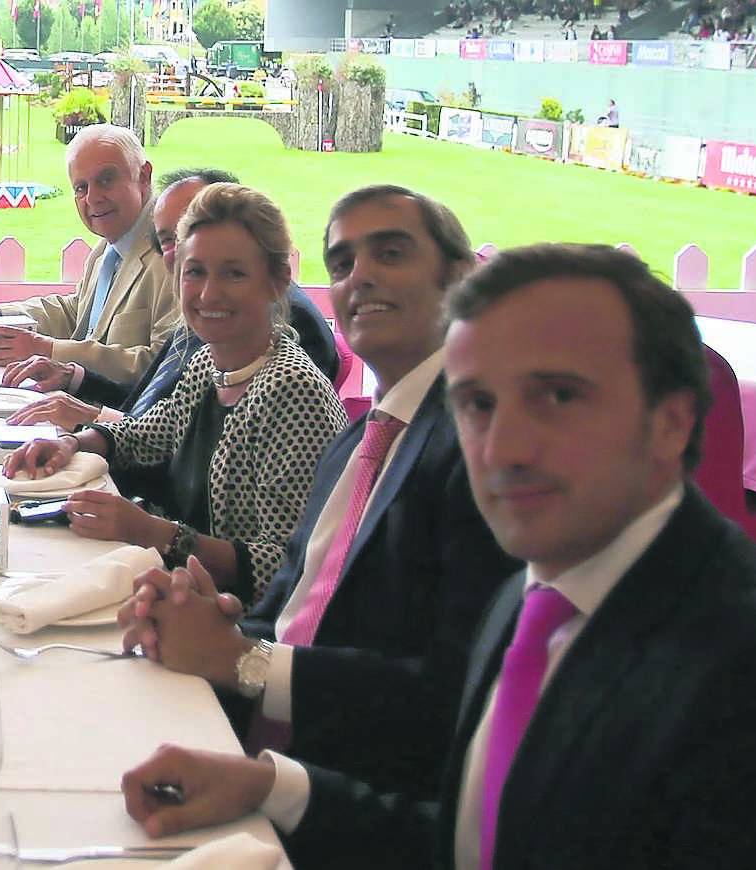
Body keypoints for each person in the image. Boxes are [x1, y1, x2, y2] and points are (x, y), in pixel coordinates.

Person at [113, 244, 756, 869]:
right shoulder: (538, 591)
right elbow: (491, 840)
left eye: (559, 397)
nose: (500, 448)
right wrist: (274, 788)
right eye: (475, 403)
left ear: (673, 422)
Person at [115, 186, 522, 796]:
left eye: (390, 253)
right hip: (256, 736)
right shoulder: (364, 438)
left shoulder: (479, 453)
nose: (361, 277)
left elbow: (452, 693)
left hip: (336, 785)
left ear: (460, 277)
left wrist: (241, 661)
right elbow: (287, 608)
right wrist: (207, 613)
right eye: (343, 263)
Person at [2, 183, 343, 600]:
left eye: (233, 273)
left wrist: (153, 532)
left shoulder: (293, 392)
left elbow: (285, 568)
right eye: (195, 272)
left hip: (230, 628)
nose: (208, 293)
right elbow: (145, 435)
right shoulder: (210, 363)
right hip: (170, 589)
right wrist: (72, 443)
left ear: (277, 281)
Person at [1, 169, 337, 432]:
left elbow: (188, 467)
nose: (181, 254)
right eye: (168, 240)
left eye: (193, 232)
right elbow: (158, 418)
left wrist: (92, 421)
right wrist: (74, 379)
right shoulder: (210, 341)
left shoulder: (283, 335)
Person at [0, 125, 180, 384]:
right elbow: (75, 312)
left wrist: (48, 350)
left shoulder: (172, 257)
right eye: (81, 187)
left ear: (144, 175)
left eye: (106, 180)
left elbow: (162, 367)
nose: (93, 198)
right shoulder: (110, 246)